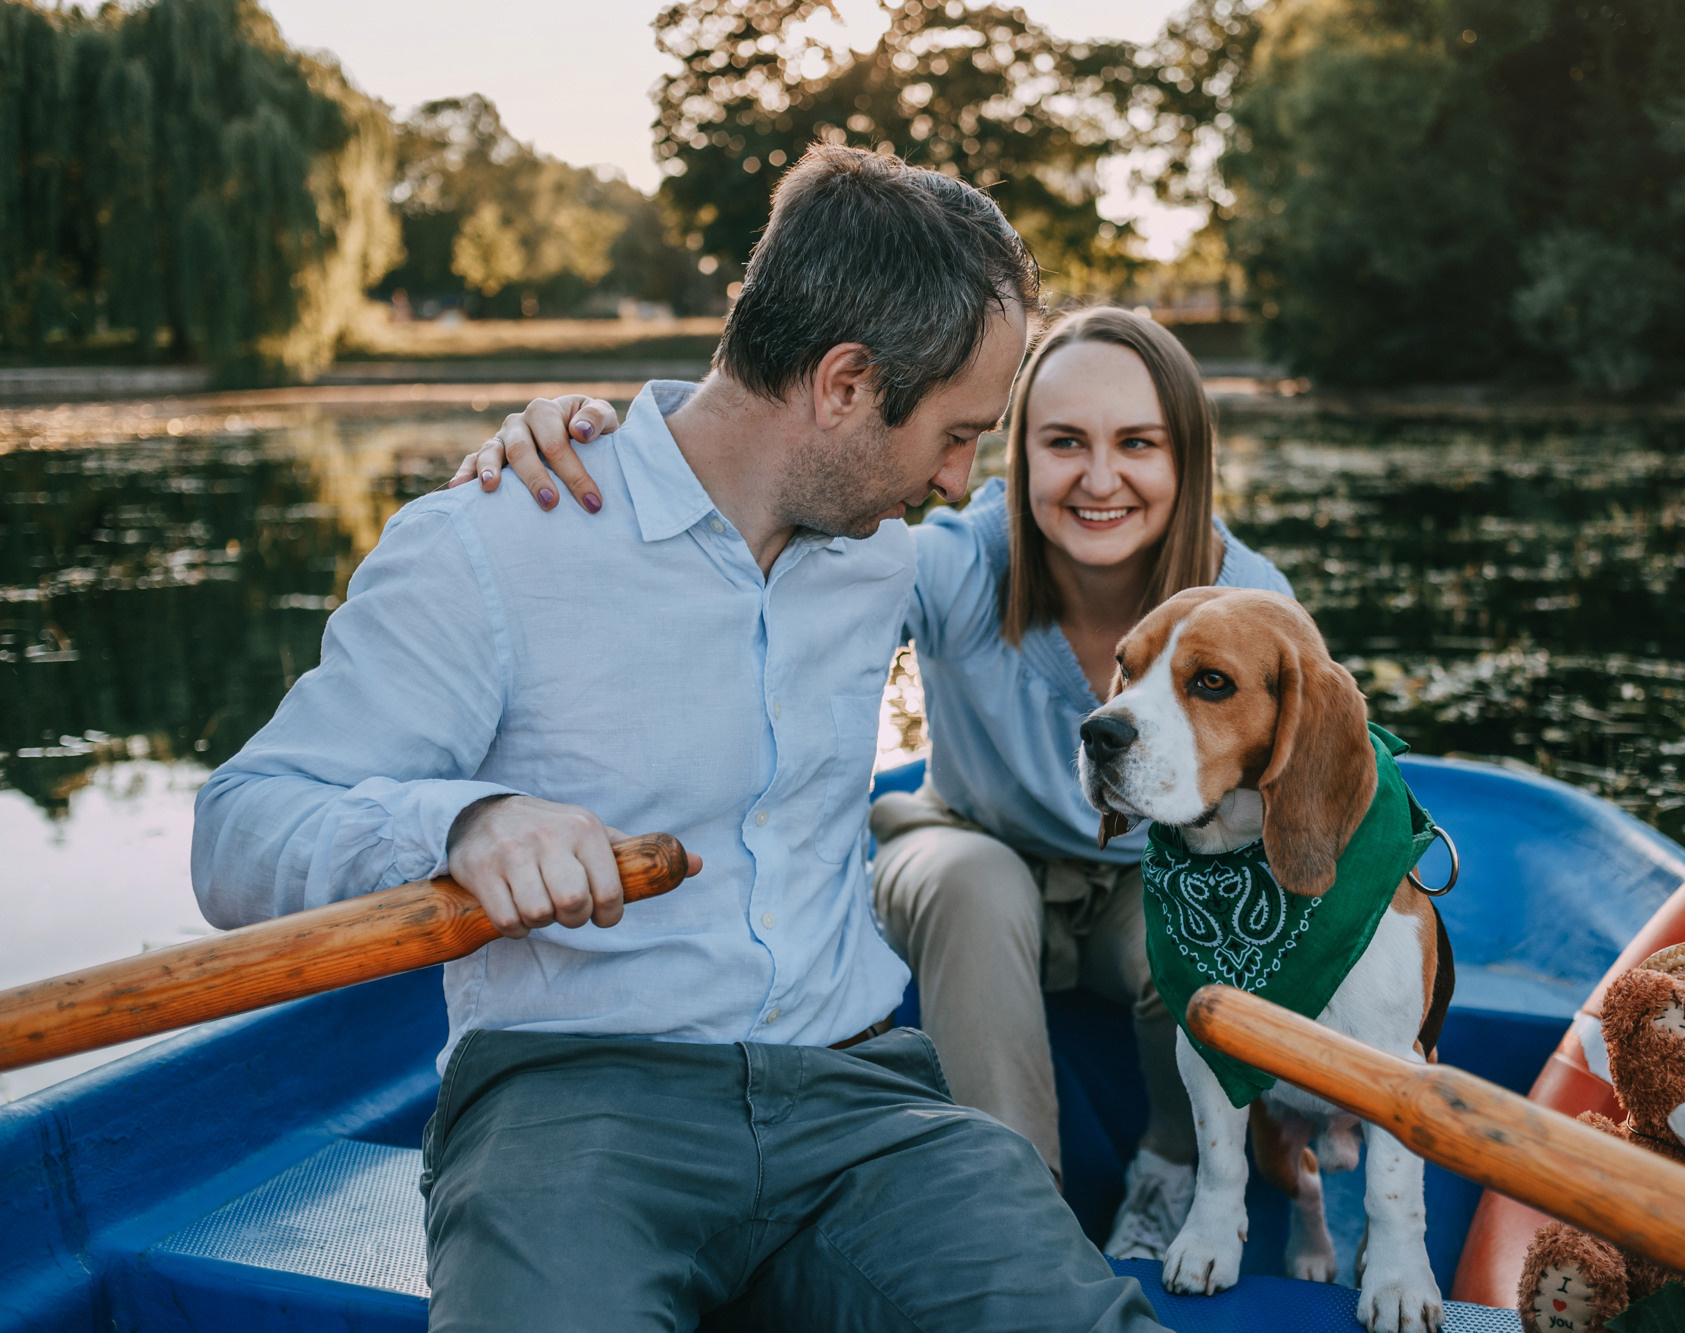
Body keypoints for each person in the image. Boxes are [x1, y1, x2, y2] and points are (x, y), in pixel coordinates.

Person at [193, 144, 1165, 1333]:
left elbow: (1105, 551)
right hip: (575, 1106)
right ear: (845, 384)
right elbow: (241, 829)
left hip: (864, 1105)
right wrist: (466, 821)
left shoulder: (881, 551)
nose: (962, 480)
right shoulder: (490, 543)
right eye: (957, 435)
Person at [457, 307, 1294, 1260]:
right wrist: (595, 445)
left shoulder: (1252, 611)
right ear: (1018, 457)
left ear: (1187, 457)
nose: (1100, 479)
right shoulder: (958, 563)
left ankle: (1167, 1167)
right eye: (1064, 442)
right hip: (961, 852)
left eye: (1136, 443)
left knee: (1188, 913)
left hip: (1144, 883)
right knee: (978, 886)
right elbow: (765, 541)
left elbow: (1298, 810)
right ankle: (1018, 1222)